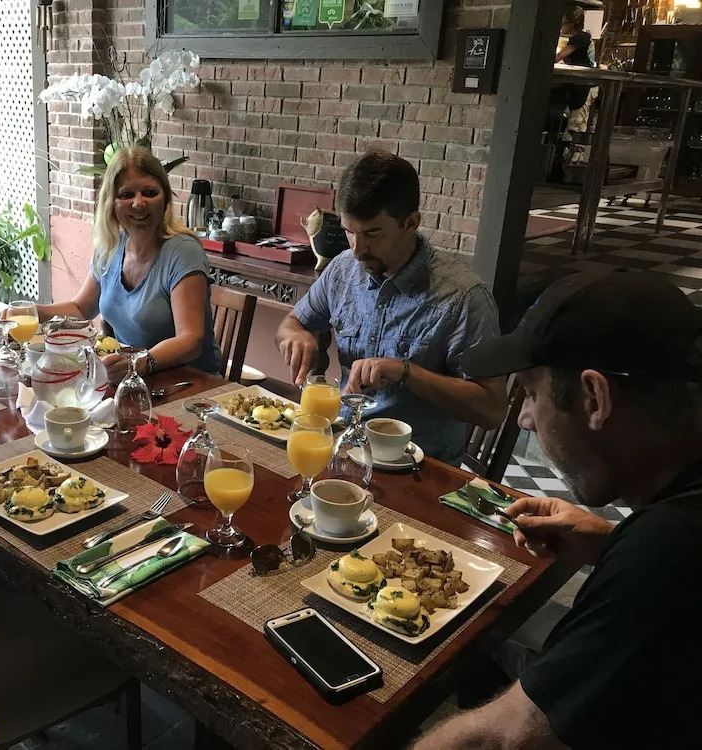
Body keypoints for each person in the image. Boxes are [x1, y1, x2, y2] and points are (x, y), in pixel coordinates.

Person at [413, 270, 702, 749]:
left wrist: (636, 553)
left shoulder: (667, 550)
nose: (525, 418)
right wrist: (613, 542)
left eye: (530, 392)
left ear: (594, 398)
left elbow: (505, 738)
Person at [275, 151, 507, 463]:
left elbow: (492, 409)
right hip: (344, 447)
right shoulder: (342, 270)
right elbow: (291, 324)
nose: (357, 249)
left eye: (372, 233)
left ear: (410, 223)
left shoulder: (463, 296)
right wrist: (296, 335)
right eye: (349, 231)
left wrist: (405, 372)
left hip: (420, 466)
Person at [34, 146, 220, 382]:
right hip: (132, 381)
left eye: (150, 192)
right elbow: (81, 309)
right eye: (126, 195)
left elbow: (190, 340)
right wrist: (32, 312)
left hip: (190, 385)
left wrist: (140, 363)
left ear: (165, 198)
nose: (139, 203)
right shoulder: (110, 247)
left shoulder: (183, 251)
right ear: (111, 202)